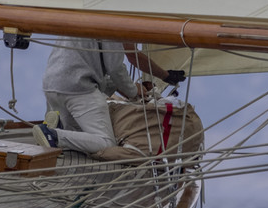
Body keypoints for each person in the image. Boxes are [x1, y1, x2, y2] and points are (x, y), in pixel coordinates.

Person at [35, 38, 184, 155]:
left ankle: (59, 125)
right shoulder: (112, 23)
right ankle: (52, 134)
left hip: (51, 85)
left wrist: (160, 77)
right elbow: (116, 68)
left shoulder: (83, 15)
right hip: (79, 89)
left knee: (78, 137)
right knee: (105, 143)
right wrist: (133, 92)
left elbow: (121, 62)